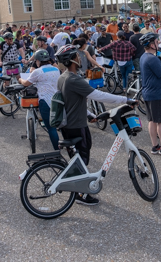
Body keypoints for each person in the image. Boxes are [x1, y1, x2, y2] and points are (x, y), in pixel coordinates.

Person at [55, 45, 132, 206]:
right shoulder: (74, 79)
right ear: (71, 60)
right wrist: (126, 100)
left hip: (70, 124)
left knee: (78, 159)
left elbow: (71, 102)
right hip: (76, 125)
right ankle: (80, 194)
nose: (80, 58)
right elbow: (98, 95)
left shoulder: (63, 77)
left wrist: (90, 114)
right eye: (77, 56)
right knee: (82, 160)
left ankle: (78, 190)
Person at [18, 49, 60, 150]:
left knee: (51, 128)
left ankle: (57, 151)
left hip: (45, 101)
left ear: (37, 61)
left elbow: (26, 83)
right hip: (58, 100)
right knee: (60, 125)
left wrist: (19, 79)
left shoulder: (38, 71)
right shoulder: (56, 69)